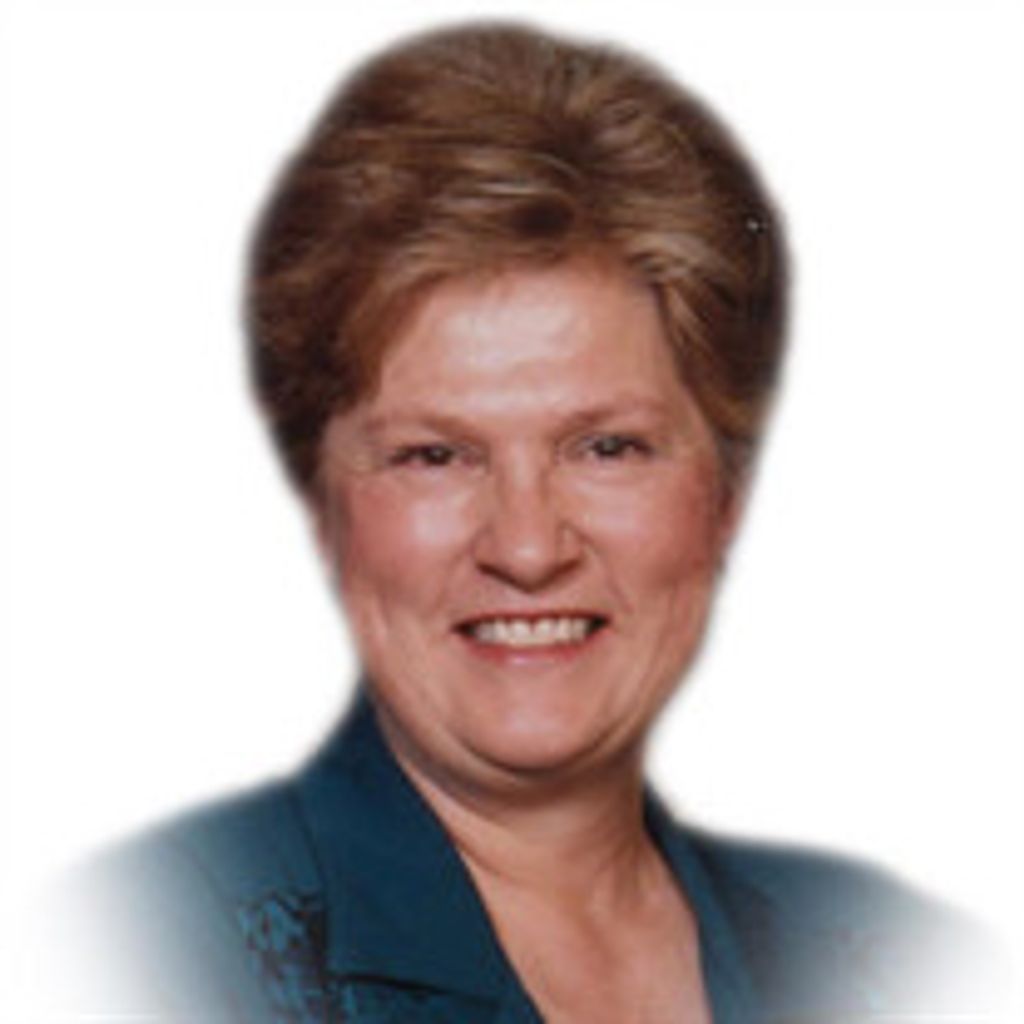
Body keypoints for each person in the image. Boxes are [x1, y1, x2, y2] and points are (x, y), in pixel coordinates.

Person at [56, 21, 1001, 1023]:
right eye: (435, 455)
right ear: (324, 506)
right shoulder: (138, 952)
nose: (526, 547)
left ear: (724, 495)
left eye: (607, 448)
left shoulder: (897, 958)